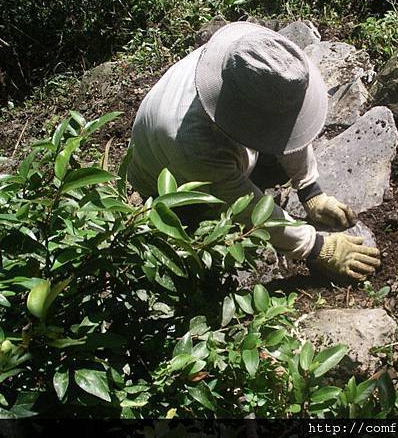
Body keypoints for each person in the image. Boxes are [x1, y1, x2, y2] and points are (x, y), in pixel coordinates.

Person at [127, 21, 380, 281]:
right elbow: (244, 206)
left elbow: (287, 124)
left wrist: (310, 190)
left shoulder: (249, 57)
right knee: (207, 240)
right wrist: (317, 247)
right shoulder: (193, 142)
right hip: (170, 186)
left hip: (207, 147)